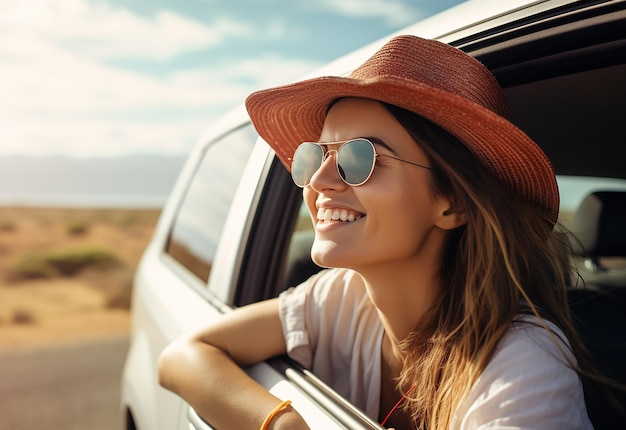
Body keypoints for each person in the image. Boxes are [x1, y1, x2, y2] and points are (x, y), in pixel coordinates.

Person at [158, 35, 594, 429]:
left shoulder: (524, 369)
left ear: (452, 203)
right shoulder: (342, 298)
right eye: (317, 156)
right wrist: (281, 424)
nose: (321, 179)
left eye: (362, 159)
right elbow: (182, 356)